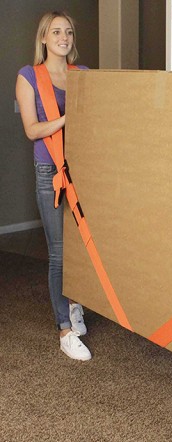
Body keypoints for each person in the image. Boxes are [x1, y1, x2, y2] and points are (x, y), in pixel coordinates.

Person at [16, 11, 91, 361]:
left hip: (84, 170)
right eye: (56, 31)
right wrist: (66, 118)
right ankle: (64, 329)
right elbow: (32, 130)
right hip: (50, 170)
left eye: (69, 32)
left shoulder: (83, 74)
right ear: (44, 38)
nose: (64, 37)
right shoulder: (29, 75)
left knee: (84, 247)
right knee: (60, 251)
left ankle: (75, 304)